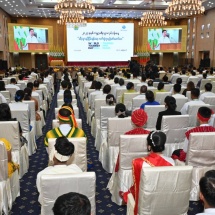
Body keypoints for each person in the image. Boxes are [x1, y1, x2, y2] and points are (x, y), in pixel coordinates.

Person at [120, 131, 174, 215]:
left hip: (146, 204)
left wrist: (126, 196)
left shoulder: (139, 163)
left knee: (128, 194)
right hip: (165, 202)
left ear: (149, 146)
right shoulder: (172, 162)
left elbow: (136, 188)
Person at [37, 137, 82, 203]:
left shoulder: (42, 175)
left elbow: (42, 195)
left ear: (53, 155)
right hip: (71, 206)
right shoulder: (77, 171)